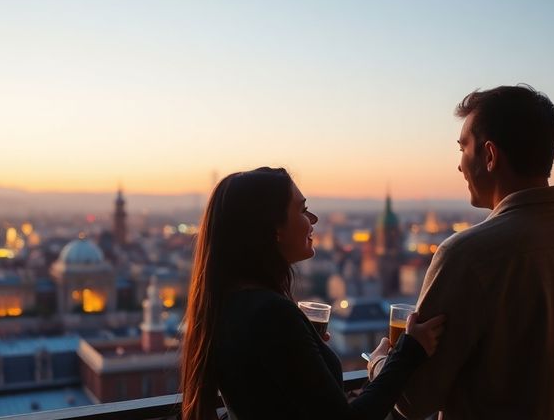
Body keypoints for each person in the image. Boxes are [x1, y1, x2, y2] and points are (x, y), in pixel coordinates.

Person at [367, 85, 554, 419]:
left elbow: (414, 400)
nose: (460, 166)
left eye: (463, 148)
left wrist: (378, 363)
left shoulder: (466, 255)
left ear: (489, 156)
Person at [180, 167, 446, 420]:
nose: (314, 219)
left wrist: (306, 344)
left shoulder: (227, 303)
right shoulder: (272, 313)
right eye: (303, 209)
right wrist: (407, 353)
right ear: (275, 229)